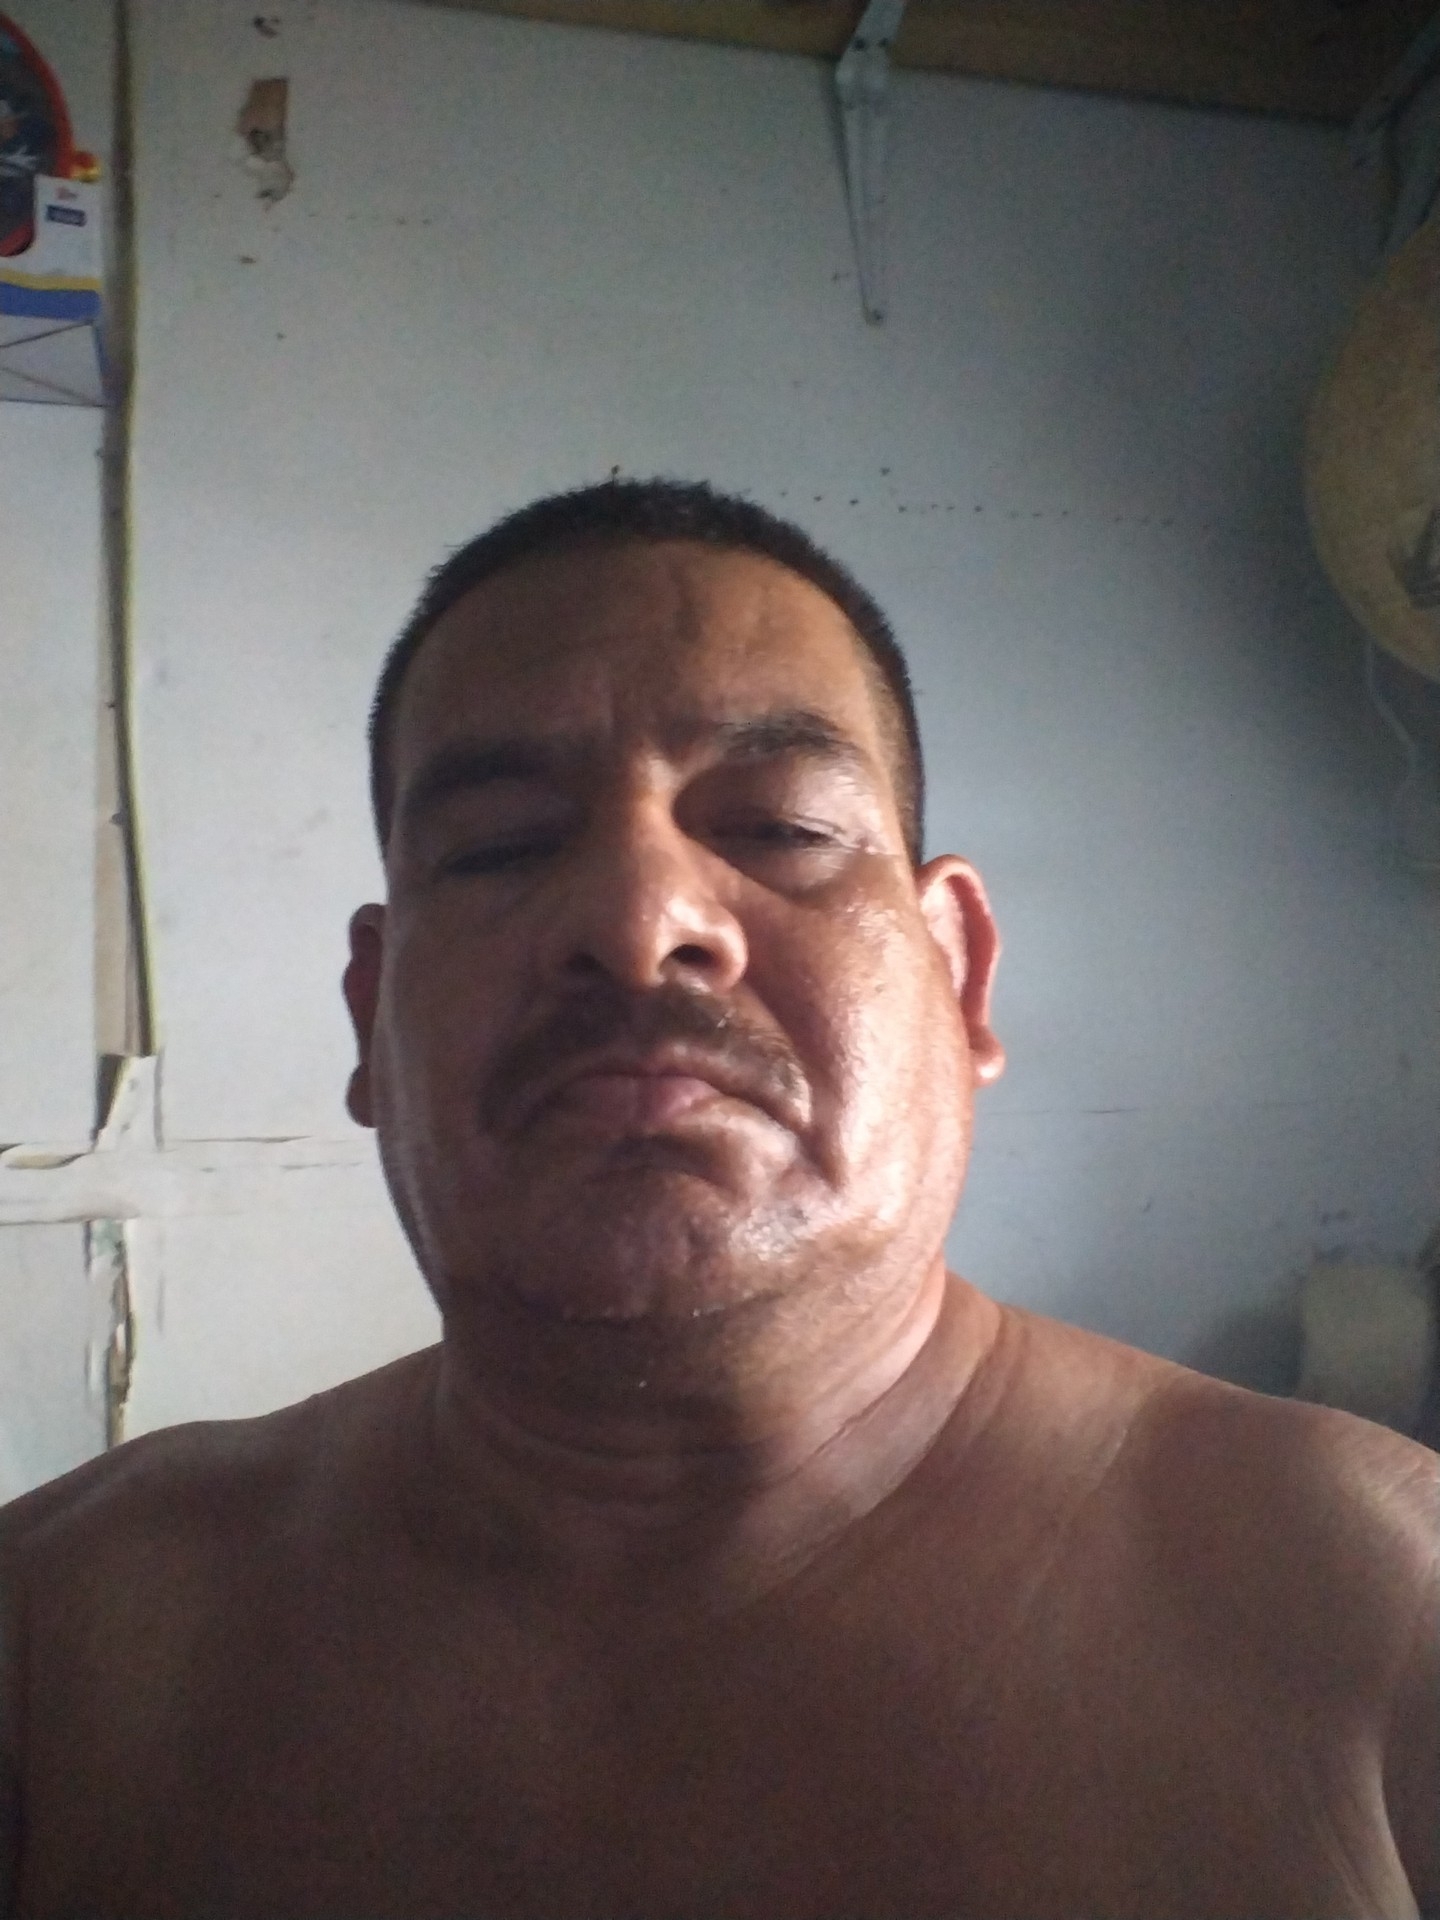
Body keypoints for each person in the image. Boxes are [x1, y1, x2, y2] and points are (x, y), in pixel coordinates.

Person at [1, 479, 1436, 1920]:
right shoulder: (59, 1642)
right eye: (500, 844)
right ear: (372, 1015)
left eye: (780, 826)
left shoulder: (1383, 1614)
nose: (639, 921)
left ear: (959, 975)